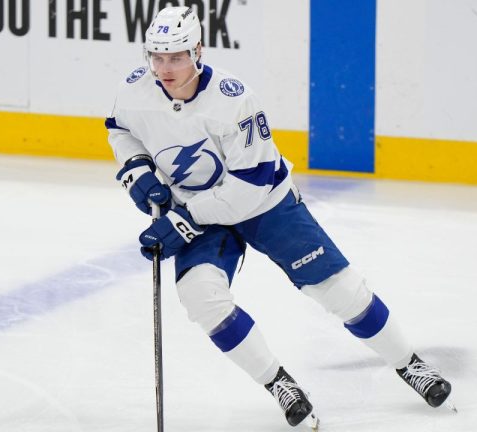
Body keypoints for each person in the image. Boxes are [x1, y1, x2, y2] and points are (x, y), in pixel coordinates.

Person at [105, 6, 454, 428]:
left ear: (198, 50)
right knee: (201, 296)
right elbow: (120, 129)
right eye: (156, 57)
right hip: (197, 212)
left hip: (264, 203)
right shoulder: (135, 90)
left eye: (176, 56)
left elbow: (247, 188)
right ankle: (279, 383)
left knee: (337, 289)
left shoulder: (234, 101)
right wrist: (137, 169)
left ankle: (408, 363)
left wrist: (184, 218)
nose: (165, 68)